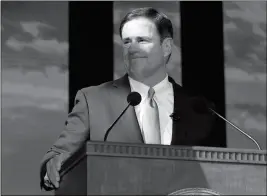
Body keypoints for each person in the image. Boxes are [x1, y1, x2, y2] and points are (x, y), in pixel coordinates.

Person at [40, 7, 215, 191]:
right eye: (126, 42)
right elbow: (60, 153)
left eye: (142, 40)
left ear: (166, 47)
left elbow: (218, 171)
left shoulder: (200, 108)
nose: (132, 48)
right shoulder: (93, 100)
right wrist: (52, 163)